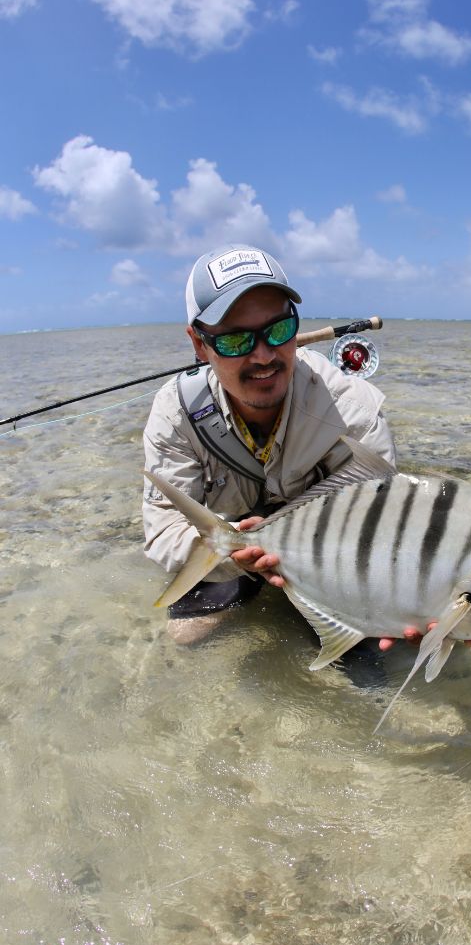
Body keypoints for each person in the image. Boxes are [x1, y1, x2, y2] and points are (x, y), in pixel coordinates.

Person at [143, 243, 398, 646]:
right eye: (234, 341)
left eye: (279, 330)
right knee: (185, 638)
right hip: (233, 554)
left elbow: (385, 530)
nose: (263, 356)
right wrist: (234, 554)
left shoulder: (354, 411)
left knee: (373, 658)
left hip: (330, 563)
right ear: (198, 343)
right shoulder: (177, 414)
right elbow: (163, 528)